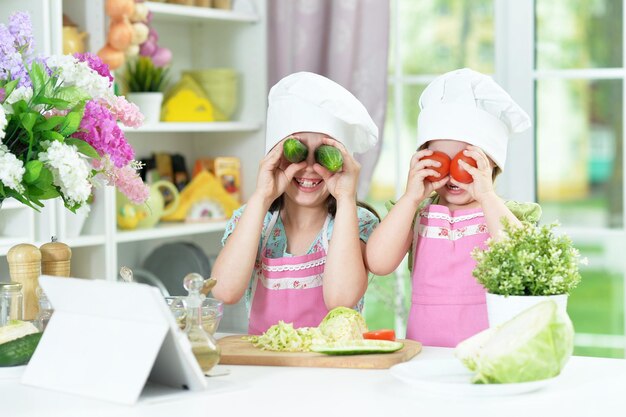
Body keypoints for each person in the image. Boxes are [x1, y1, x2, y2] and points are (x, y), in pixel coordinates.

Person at [365, 68, 541, 347]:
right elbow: (378, 262)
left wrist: (486, 196)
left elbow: (523, 263)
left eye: (465, 161)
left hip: (490, 350)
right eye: (438, 160)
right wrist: (410, 198)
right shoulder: (417, 212)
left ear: (491, 163)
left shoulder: (503, 213)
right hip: (425, 349)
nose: (451, 173)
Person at [212, 72, 380, 335]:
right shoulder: (256, 218)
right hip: (266, 365)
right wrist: (261, 196)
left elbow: (341, 300)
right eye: (297, 153)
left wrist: (346, 197)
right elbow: (224, 290)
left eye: (324, 156)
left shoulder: (356, 222)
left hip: (331, 369)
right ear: (275, 156)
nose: (310, 168)